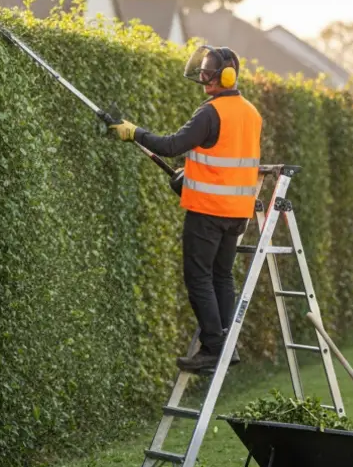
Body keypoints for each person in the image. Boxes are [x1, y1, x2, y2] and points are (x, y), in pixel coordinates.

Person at [108, 46, 263, 373]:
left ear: (228, 76)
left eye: (209, 72)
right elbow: (226, 161)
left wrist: (134, 132)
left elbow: (171, 146)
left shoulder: (210, 112)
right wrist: (190, 176)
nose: (203, 77)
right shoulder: (251, 113)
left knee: (198, 277)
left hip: (208, 211)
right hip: (238, 213)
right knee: (221, 276)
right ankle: (226, 345)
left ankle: (212, 348)